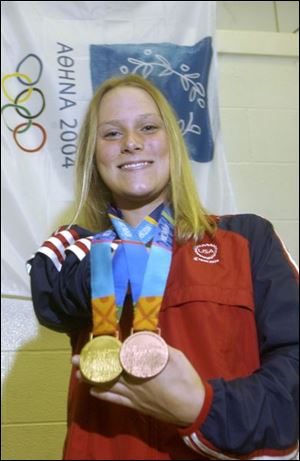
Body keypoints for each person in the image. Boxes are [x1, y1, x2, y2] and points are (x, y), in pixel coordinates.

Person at [27, 74, 299, 460]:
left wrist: (203, 406)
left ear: (171, 140)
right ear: (93, 154)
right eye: (111, 134)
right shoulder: (79, 247)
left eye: (148, 127)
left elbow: (292, 376)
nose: (131, 143)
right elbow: (52, 300)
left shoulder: (248, 239)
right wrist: (120, 249)